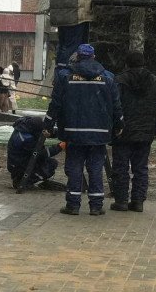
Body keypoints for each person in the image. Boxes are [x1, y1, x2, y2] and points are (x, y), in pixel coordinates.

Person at [43, 43, 123, 216]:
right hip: (99, 133)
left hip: (74, 132)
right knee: (95, 168)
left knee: (75, 168)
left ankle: (73, 205)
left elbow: (55, 104)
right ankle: (96, 206)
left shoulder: (65, 76)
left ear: (77, 56)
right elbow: (116, 105)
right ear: (93, 57)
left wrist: (48, 125)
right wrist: (119, 125)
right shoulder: (107, 77)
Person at [111, 51, 156, 213]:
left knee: (120, 166)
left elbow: (114, 106)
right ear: (143, 63)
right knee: (141, 168)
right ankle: (138, 201)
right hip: (145, 131)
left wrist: (115, 126)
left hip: (123, 131)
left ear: (127, 63)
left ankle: (121, 200)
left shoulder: (119, 81)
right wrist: (155, 129)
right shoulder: (154, 82)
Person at [7, 116, 66, 191]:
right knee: (51, 165)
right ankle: (23, 181)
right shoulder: (26, 138)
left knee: (48, 162)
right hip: (19, 165)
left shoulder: (24, 128)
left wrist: (59, 133)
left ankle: (20, 178)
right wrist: (60, 147)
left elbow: (44, 132)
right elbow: (41, 154)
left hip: (17, 162)